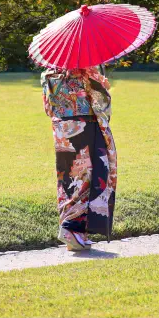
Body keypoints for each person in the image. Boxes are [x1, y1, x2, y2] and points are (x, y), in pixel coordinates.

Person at [41, 64, 117, 252]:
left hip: (62, 130)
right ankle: (72, 230)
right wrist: (103, 85)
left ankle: (74, 232)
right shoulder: (86, 71)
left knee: (67, 178)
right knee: (86, 178)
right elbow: (102, 103)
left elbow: (48, 109)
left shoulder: (48, 74)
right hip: (84, 126)